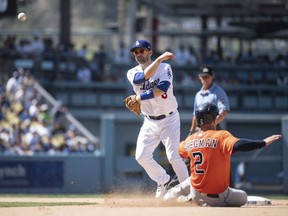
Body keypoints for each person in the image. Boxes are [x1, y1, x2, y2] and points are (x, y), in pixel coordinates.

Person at [163, 102, 282, 207]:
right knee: (243, 196)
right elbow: (239, 145)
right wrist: (263, 142)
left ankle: (169, 196)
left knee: (190, 181)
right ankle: (188, 199)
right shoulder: (221, 135)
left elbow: (178, 152)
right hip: (218, 198)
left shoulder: (189, 140)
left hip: (196, 192)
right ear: (214, 119)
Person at [126, 39, 189, 198]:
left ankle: (190, 191)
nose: (139, 54)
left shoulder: (165, 67)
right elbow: (141, 78)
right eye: (136, 51)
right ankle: (164, 180)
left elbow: (162, 89)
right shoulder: (132, 72)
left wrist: (139, 98)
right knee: (141, 156)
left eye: (142, 50)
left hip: (169, 119)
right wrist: (160, 58)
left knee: (174, 157)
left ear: (150, 52)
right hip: (149, 121)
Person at [189, 65, 229, 135]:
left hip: (214, 128)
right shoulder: (198, 95)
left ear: (212, 77)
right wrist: (191, 131)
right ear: (199, 77)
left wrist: (212, 125)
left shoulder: (219, 92)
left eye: (207, 77)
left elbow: (225, 111)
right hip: (200, 129)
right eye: (203, 77)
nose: (205, 79)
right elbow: (195, 115)